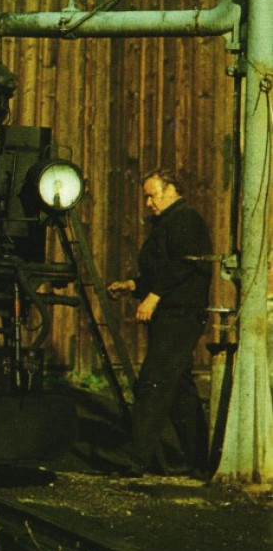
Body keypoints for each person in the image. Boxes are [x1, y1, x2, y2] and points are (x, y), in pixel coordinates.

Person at [106, 168, 212, 477]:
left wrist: (153, 296)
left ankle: (138, 458)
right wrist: (133, 286)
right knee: (179, 388)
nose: (148, 203)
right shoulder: (168, 223)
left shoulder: (185, 220)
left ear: (170, 192)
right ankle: (198, 460)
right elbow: (162, 270)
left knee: (153, 381)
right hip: (171, 313)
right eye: (146, 197)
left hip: (180, 314)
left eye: (152, 195)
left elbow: (182, 267)